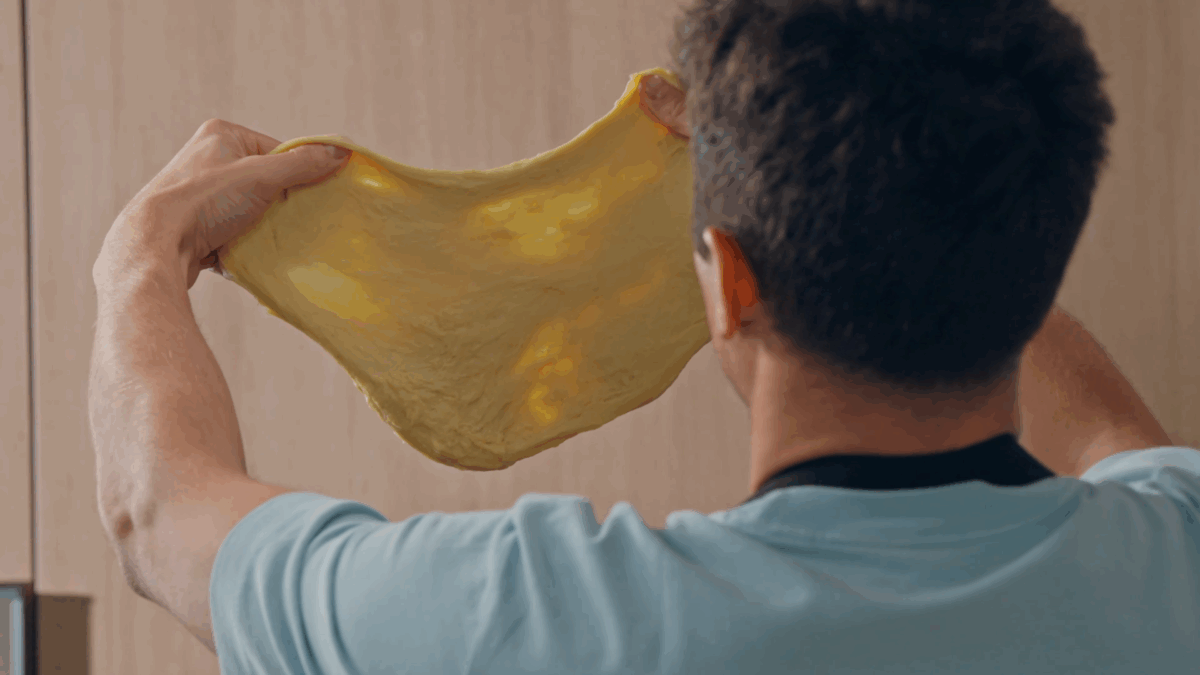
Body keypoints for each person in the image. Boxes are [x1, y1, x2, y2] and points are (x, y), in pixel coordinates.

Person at [88, 0, 1198, 672]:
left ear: (727, 287)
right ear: (1038, 258)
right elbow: (1106, 427)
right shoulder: (1174, 560)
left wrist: (140, 255)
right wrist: (921, 200)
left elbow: (162, 510)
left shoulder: (531, 619)